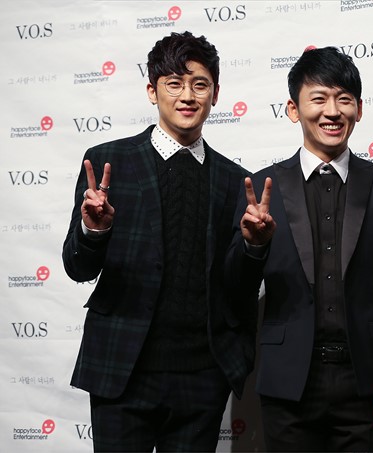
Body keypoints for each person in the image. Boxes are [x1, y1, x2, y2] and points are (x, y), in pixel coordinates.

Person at [62, 31, 256, 452]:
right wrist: (94, 231)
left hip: (202, 378)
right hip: (123, 371)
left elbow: (237, 284)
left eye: (199, 84)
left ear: (215, 94)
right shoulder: (110, 162)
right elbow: (77, 267)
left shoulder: (234, 179)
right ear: (152, 91)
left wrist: (255, 246)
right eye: (174, 83)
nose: (187, 96)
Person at [227, 46, 373, 452]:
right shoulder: (260, 188)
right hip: (288, 381)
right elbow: (234, 290)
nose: (332, 112)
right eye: (318, 98)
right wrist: (253, 246)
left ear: (359, 110)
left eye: (344, 99)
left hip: (367, 382)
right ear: (293, 109)